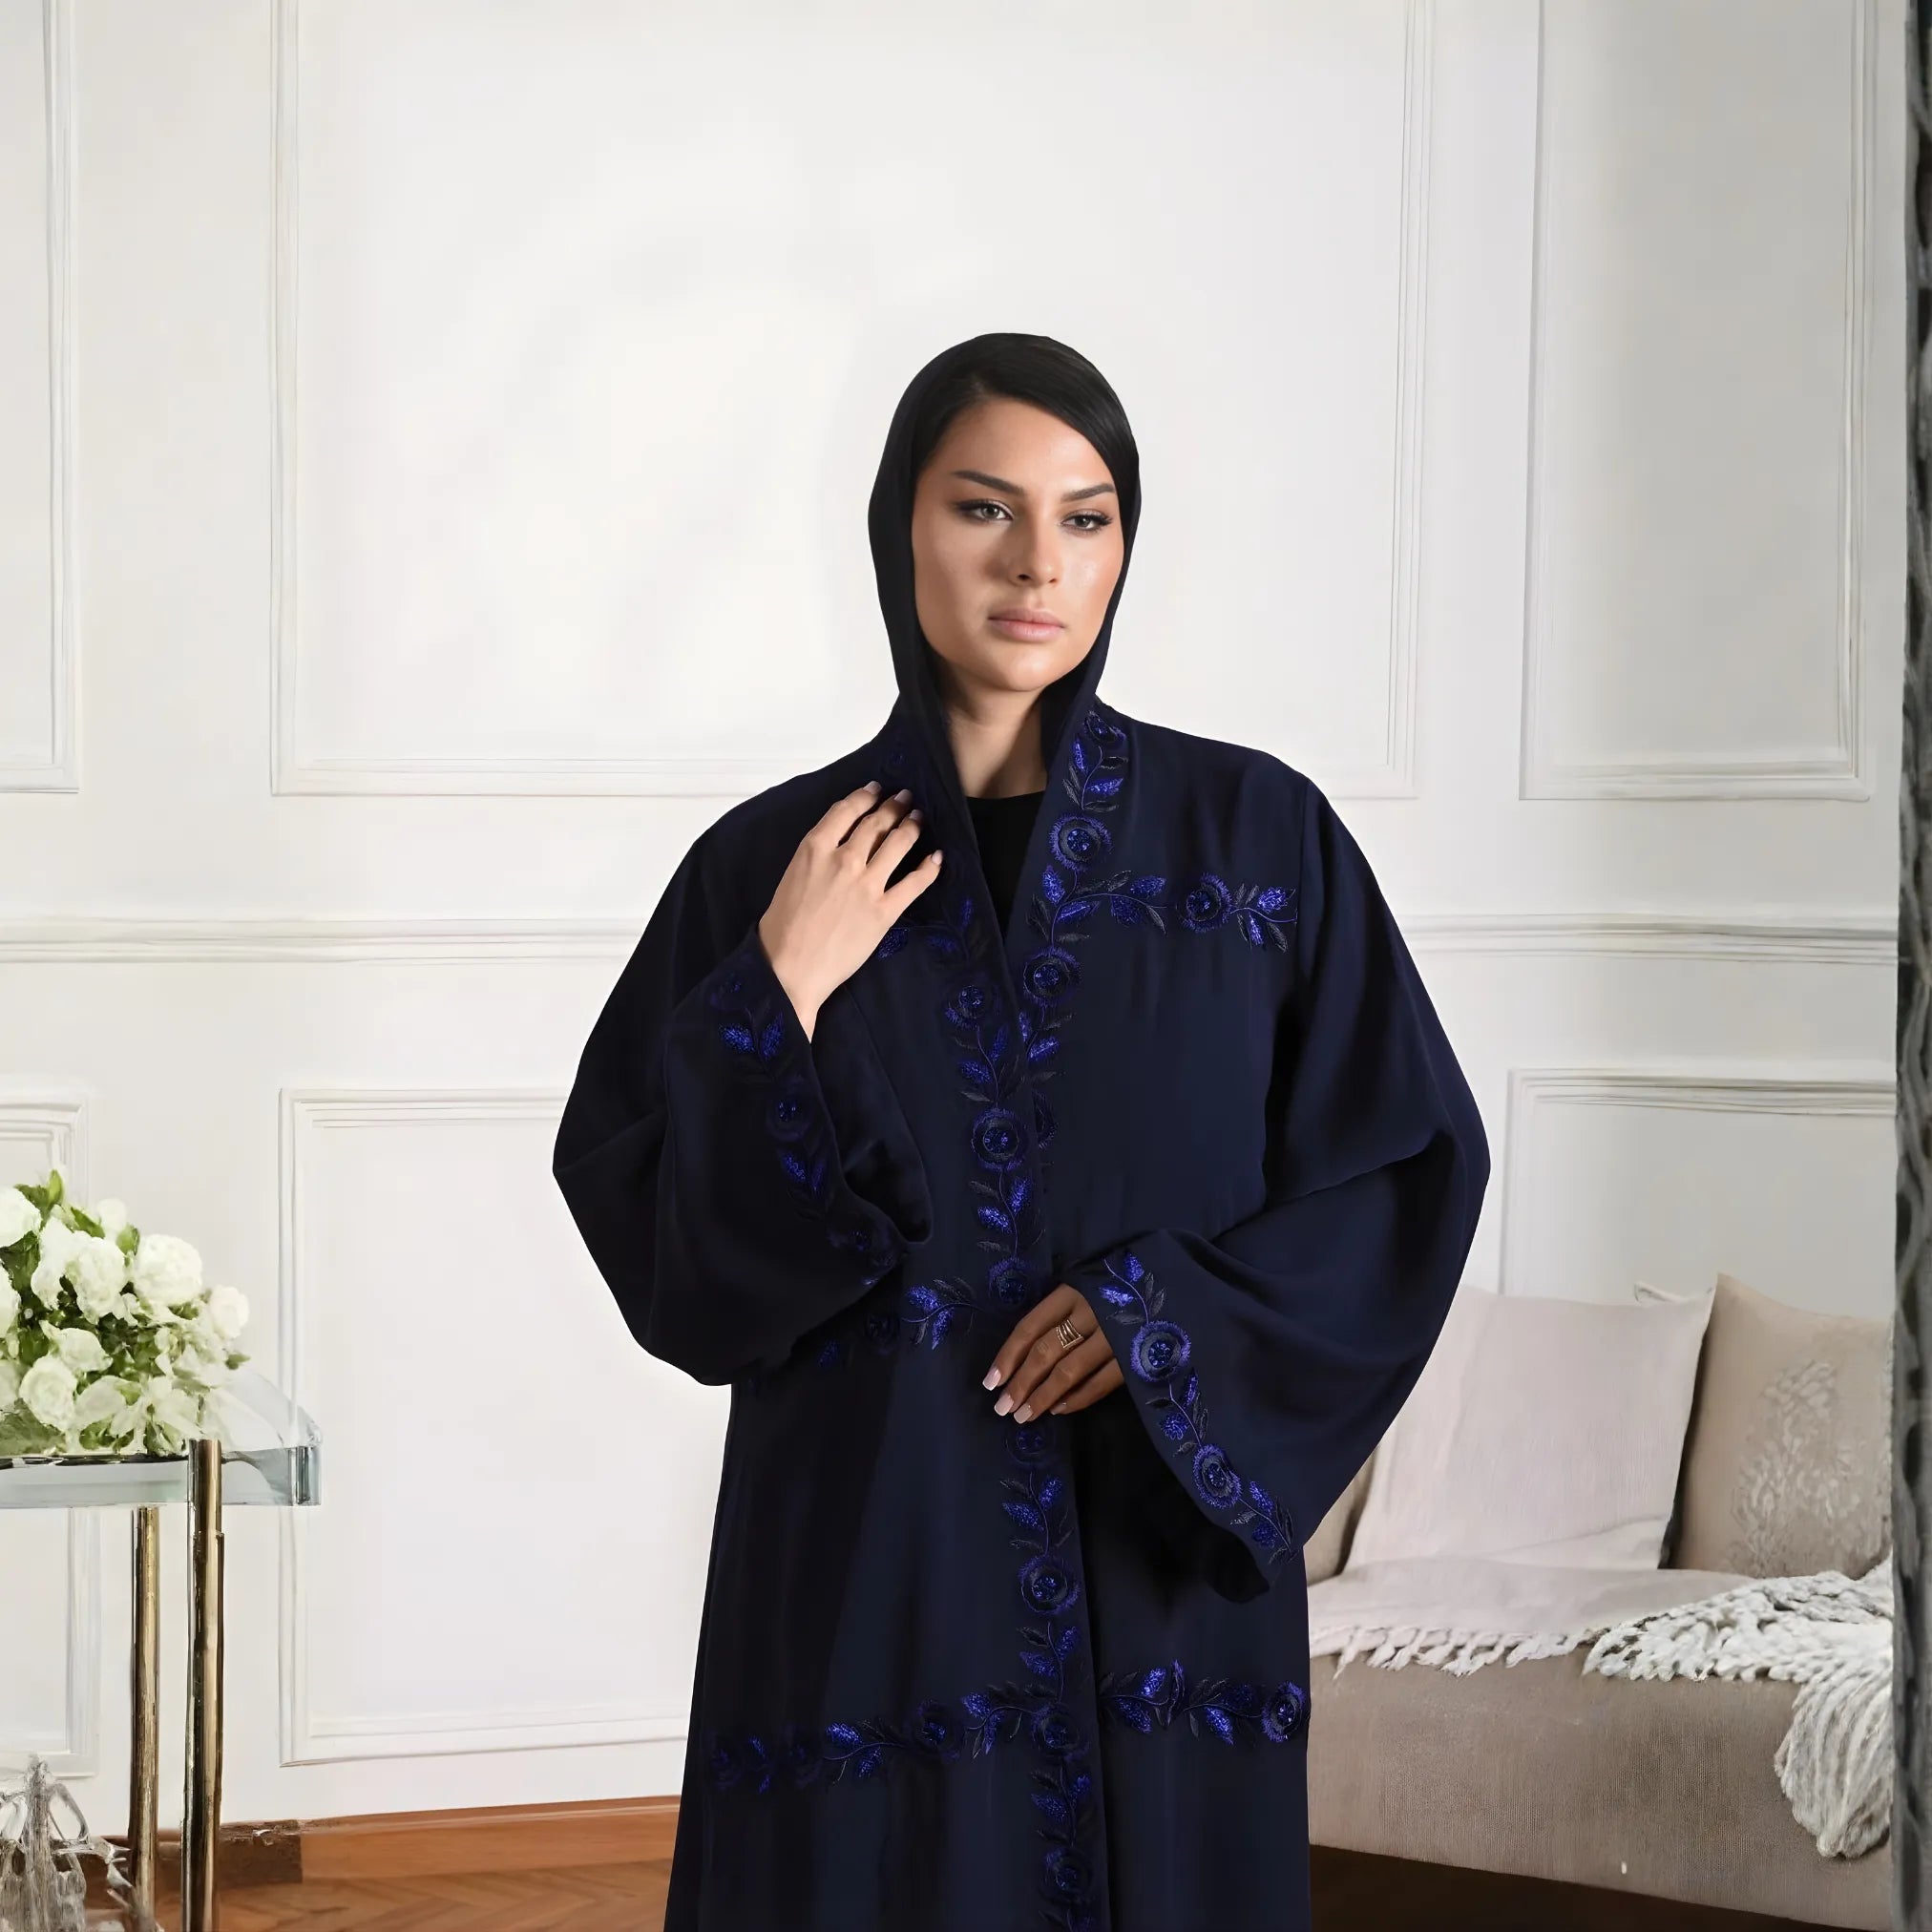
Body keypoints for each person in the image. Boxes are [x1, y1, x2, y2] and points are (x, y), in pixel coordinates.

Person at [552, 331, 1490, 1932]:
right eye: (985, 510)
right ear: (899, 528)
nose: (1038, 565)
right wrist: (775, 987)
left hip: (1151, 1550)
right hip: (868, 1548)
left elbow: (1404, 1166)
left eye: (1088, 516)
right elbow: (644, 1206)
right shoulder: (770, 863)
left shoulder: (1258, 843)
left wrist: (1160, 1315)